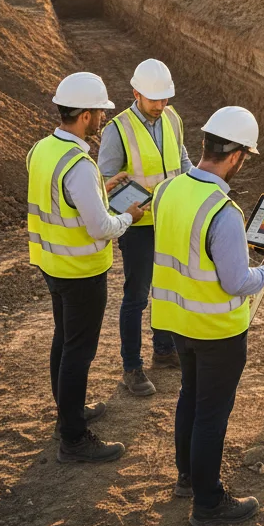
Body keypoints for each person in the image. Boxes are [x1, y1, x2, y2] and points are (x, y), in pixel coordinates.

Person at [150, 106, 264, 526]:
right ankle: (208, 502)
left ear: (206, 144)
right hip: (217, 331)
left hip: (178, 321)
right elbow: (236, 283)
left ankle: (188, 478)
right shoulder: (224, 212)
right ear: (237, 156)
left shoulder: (167, 191)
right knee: (211, 415)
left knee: (190, 398)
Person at [27, 72, 144, 463]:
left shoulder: (42, 149)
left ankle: (68, 414)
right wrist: (127, 215)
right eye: (99, 112)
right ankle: (74, 439)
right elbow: (100, 227)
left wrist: (103, 189)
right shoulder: (78, 163)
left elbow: (64, 200)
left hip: (52, 264)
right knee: (79, 352)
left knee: (64, 340)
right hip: (81, 272)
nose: (103, 120)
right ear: (85, 115)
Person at [98, 59, 191, 397]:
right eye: (154, 100)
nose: (161, 105)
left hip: (170, 219)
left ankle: (164, 350)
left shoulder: (172, 117)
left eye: (165, 99)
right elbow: (104, 182)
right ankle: (131, 367)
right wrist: (129, 211)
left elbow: (181, 159)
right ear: (135, 93)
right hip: (138, 226)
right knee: (136, 296)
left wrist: (195, 185)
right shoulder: (118, 129)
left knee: (167, 288)